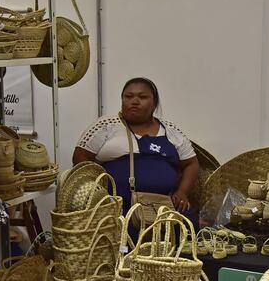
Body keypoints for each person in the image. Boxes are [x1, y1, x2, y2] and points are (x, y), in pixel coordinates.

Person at [73, 77, 200, 219]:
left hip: (163, 207)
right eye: (128, 96)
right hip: (115, 206)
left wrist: (182, 191)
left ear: (154, 103)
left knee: (188, 222)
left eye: (142, 97)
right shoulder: (106, 125)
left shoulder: (170, 130)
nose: (134, 101)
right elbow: (80, 156)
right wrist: (96, 190)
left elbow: (191, 163)